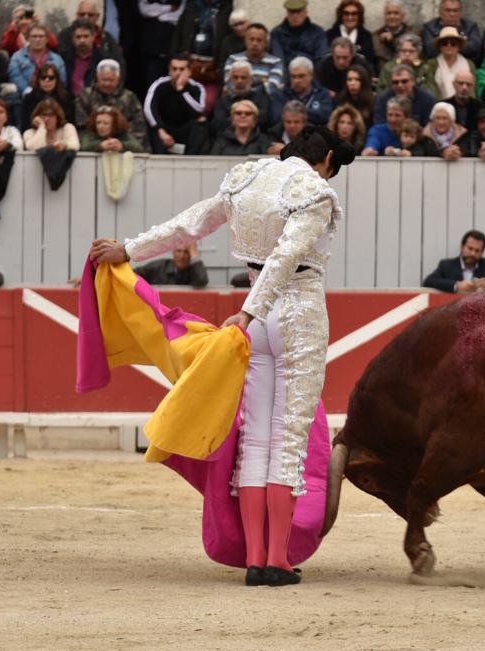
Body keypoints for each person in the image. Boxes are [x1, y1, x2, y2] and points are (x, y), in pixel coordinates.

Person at [90, 125, 357, 587]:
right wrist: (250, 312)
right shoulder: (315, 190)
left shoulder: (246, 178)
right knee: (287, 440)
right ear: (327, 158)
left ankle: (255, 558)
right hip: (295, 314)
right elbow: (288, 255)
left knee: (254, 441)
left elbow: (191, 223)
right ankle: (277, 559)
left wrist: (128, 248)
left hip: (257, 317)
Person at [75, 59, 148, 150]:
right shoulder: (85, 96)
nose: (107, 83)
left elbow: (138, 128)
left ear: (118, 79)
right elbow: (81, 127)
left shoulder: (129, 97)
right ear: (97, 77)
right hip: (91, 146)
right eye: (103, 80)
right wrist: (99, 145)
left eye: (111, 80)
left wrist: (122, 145)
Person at [145, 53, 208, 154]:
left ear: (189, 71)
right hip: (164, 128)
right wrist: (160, 130)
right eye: (174, 69)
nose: (178, 73)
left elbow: (198, 110)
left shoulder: (197, 87)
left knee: (200, 124)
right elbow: (149, 109)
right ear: (169, 70)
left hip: (185, 129)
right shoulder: (159, 85)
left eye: (182, 69)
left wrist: (181, 90)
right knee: (152, 127)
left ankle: (191, 161)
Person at [422, 229, 485, 293]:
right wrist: (457, 286)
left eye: (477, 250)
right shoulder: (447, 265)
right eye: (470, 248)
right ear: (462, 247)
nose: (473, 253)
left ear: (482, 252)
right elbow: (428, 281)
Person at [223, 23, 283, 97]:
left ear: (266, 43)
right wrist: (261, 81)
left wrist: (245, 86)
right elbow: (230, 87)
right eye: (251, 39)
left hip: (263, 106)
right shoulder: (233, 60)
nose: (255, 43)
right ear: (245, 41)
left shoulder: (275, 62)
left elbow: (272, 90)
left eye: (259, 40)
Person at [213, 60, 273, 134]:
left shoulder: (261, 96)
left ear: (251, 79)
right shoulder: (224, 98)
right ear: (230, 79)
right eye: (235, 77)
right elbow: (219, 123)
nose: (239, 81)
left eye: (243, 77)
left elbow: (263, 120)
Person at [8, 23, 66, 97]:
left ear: (47, 39)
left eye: (41, 36)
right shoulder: (17, 57)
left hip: (52, 97)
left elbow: (62, 81)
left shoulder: (57, 59)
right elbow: (14, 76)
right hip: (24, 97)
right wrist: (27, 91)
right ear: (28, 38)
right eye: (34, 36)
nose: (38, 39)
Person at [270, 0, 329, 72]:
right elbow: (278, 61)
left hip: (311, 77)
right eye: (292, 12)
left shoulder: (318, 33)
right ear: (287, 13)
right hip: (286, 77)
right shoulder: (277, 34)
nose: (295, 16)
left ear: (305, 12)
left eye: (298, 11)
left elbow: (321, 61)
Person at [376, 32, 437, 97]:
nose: (407, 54)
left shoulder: (425, 68)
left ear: (418, 53)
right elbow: (382, 92)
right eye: (403, 51)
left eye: (411, 51)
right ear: (398, 52)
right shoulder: (389, 68)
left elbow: (431, 92)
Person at [20, 63, 75, 131]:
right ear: (38, 80)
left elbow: (70, 122)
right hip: (35, 132)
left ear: (57, 80)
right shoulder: (29, 99)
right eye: (43, 78)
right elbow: (25, 125)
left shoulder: (66, 98)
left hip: (60, 132)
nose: (47, 80)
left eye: (51, 78)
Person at [60, 19, 107, 97]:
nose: (82, 40)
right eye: (78, 37)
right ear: (72, 38)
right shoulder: (64, 59)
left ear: (93, 36)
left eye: (86, 36)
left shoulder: (103, 59)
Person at [372, 0, 421, 75]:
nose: (392, 16)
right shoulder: (375, 37)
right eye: (389, 13)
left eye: (396, 13)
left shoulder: (414, 33)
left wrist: (393, 41)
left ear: (403, 16)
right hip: (383, 80)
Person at [325, 0, 375, 67]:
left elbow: (369, 61)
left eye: (354, 14)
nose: (350, 17)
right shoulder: (330, 35)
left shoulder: (366, 36)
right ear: (341, 16)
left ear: (359, 16)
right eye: (346, 13)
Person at [134, 244, 209, 287]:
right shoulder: (158, 267)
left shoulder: (195, 271)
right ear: (173, 252)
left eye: (186, 252)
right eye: (178, 251)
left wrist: (195, 254)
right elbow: (131, 275)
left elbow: (201, 281)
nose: (182, 256)